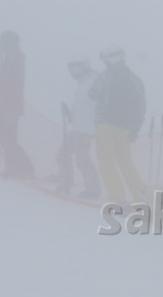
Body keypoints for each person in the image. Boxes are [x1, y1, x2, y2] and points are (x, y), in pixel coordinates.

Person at [90, 46, 146, 203]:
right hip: (121, 127)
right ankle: (139, 196)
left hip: (108, 125)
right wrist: (135, 128)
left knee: (108, 161)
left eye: (108, 58)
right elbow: (140, 105)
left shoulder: (109, 77)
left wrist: (135, 127)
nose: (106, 61)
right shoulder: (131, 78)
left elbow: (93, 93)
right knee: (124, 162)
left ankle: (119, 196)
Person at [55, 58, 101, 198]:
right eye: (71, 69)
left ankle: (92, 189)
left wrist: (93, 124)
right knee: (65, 154)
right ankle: (67, 182)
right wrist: (70, 114)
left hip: (86, 129)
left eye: (76, 68)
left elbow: (95, 105)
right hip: (79, 127)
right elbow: (83, 106)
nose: (73, 72)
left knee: (80, 158)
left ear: (84, 67)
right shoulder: (83, 83)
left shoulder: (93, 81)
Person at [0, 30, 34, 179]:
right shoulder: (8, 59)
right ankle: (15, 167)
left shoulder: (17, 59)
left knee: (9, 138)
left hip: (11, 106)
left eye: (5, 43)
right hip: (5, 105)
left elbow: (13, 85)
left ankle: (23, 168)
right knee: (5, 138)